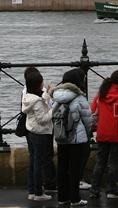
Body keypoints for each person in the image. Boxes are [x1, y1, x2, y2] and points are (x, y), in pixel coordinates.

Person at [52, 68, 94, 207]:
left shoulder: (56, 97)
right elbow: (88, 120)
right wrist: (89, 133)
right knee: (74, 169)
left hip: (61, 137)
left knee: (62, 167)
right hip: (77, 138)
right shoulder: (80, 98)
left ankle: (63, 197)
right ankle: (75, 199)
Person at [89, 70, 118, 200]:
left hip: (102, 134)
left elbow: (93, 113)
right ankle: (111, 190)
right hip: (117, 135)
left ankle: (94, 189)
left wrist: (96, 128)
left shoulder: (100, 95)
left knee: (100, 162)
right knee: (113, 163)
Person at [22, 68, 54, 202]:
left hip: (31, 131)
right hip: (40, 133)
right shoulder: (37, 101)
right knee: (38, 163)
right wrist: (55, 108)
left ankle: (32, 191)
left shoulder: (27, 96)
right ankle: (38, 193)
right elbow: (43, 119)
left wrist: (47, 94)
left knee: (33, 161)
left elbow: (38, 103)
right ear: (38, 85)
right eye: (42, 83)